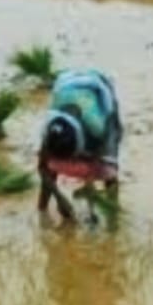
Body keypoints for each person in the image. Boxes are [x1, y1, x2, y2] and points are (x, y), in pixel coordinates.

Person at [37, 68, 121, 225]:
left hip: (99, 88)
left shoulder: (97, 127)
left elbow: (96, 162)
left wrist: (91, 208)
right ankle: (41, 210)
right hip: (65, 84)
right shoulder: (50, 128)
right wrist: (60, 198)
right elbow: (41, 168)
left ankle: (113, 218)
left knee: (109, 174)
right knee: (49, 170)